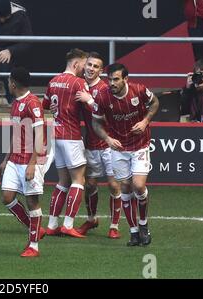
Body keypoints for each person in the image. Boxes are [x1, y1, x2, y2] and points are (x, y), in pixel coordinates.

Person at [92, 63, 160, 246]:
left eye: (116, 79)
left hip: (140, 145)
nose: (112, 83)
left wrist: (145, 121)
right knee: (125, 188)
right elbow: (96, 123)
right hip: (118, 148)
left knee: (138, 186)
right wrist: (107, 139)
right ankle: (134, 232)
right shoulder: (102, 97)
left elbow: (155, 103)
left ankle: (144, 224)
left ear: (125, 79)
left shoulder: (139, 90)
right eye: (109, 79)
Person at [0, 67, 47, 257]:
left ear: (14, 83)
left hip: (30, 160)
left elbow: (41, 136)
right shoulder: (16, 103)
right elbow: (16, 134)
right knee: (7, 197)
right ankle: (35, 229)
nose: (7, 83)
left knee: (32, 200)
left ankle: (33, 246)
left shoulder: (33, 103)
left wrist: (33, 164)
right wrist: (5, 159)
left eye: (9, 80)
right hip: (15, 159)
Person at [73, 52, 123, 239]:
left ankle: (114, 226)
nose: (91, 68)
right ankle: (92, 219)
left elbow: (108, 116)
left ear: (101, 71)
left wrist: (90, 101)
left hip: (109, 143)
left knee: (113, 184)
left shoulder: (105, 89)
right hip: (90, 145)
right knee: (90, 184)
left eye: (96, 66)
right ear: (84, 66)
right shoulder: (79, 85)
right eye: (89, 65)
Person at [41, 48, 90, 238]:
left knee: (63, 181)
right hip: (71, 135)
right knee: (79, 180)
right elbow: (92, 106)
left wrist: (56, 106)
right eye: (84, 65)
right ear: (76, 64)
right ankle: (68, 224)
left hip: (57, 135)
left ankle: (52, 224)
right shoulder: (78, 83)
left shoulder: (53, 81)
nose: (85, 70)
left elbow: (44, 105)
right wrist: (91, 99)